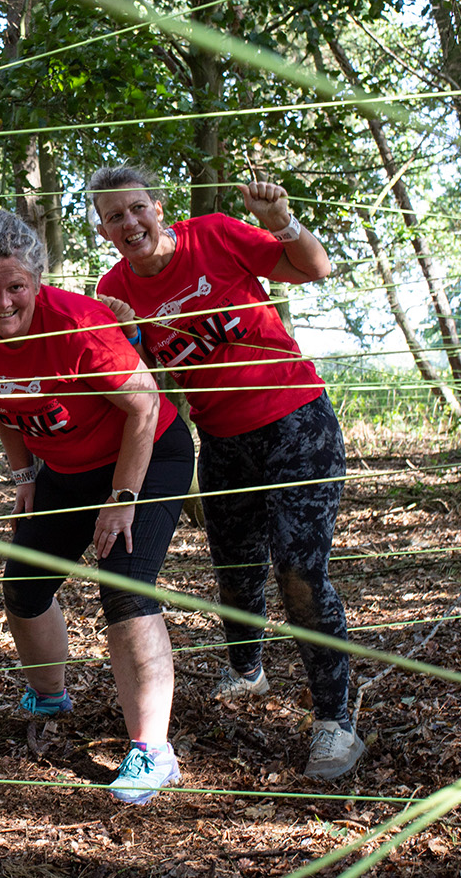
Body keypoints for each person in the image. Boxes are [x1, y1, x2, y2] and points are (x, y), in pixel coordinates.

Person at [88, 166, 364, 780]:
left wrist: (281, 222)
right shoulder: (115, 287)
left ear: (158, 208)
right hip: (221, 442)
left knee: (298, 568)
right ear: (103, 228)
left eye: (137, 208)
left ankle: (335, 721)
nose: (129, 223)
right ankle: (247, 670)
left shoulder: (213, 234)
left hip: (296, 421)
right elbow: (141, 383)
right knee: (236, 570)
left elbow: (313, 268)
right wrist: (122, 331)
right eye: (114, 216)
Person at [0, 209, 195, 805]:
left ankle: (153, 751)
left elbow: (144, 407)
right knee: (24, 584)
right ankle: (50, 697)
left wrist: (122, 499)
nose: (3, 301)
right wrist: (24, 475)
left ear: (38, 281)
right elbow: (2, 402)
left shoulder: (79, 325)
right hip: (64, 469)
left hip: (146, 455)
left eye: (16, 287)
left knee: (124, 585)